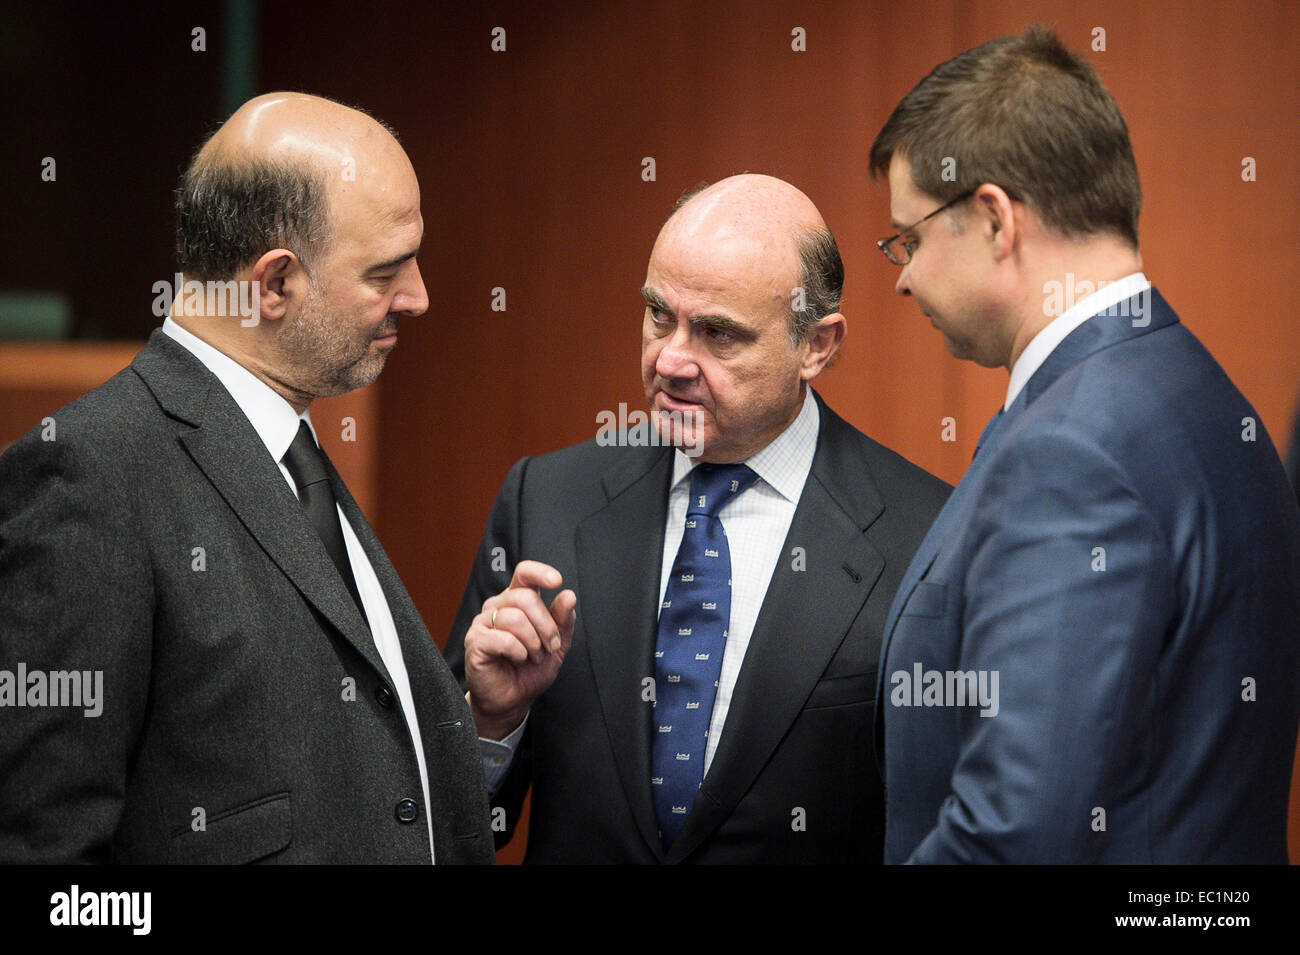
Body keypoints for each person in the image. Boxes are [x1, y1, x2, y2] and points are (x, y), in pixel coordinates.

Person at [0, 93, 493, 863]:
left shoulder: (294, 452)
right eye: (385, 272)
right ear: (272, 283)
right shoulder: (89, 474)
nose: (419, 296)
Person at [869, 26, 1300, 863]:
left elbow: (1015, 836)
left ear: (994, 218)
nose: (903, 276)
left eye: (910, 237)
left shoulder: (1069, 451)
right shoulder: (1208, 398)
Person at [444, 174, 950, 863]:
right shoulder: (547, 498)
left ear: (818, 346)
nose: (670, 360)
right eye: (659, 315)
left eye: (718, 334)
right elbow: (444, 821)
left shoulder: (927, 534)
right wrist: (490, 722)